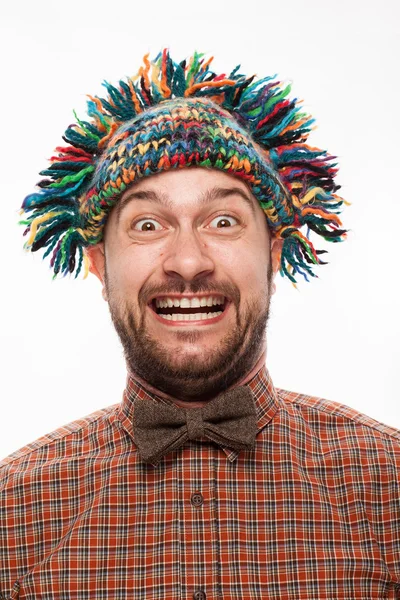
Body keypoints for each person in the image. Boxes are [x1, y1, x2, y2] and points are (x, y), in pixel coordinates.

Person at [1, 49, 399, 599]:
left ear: (274, 253)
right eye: (147, 223)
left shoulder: (389, 487)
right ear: (99, 263)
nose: (188, 261)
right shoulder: (13, 512)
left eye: (223, 220)